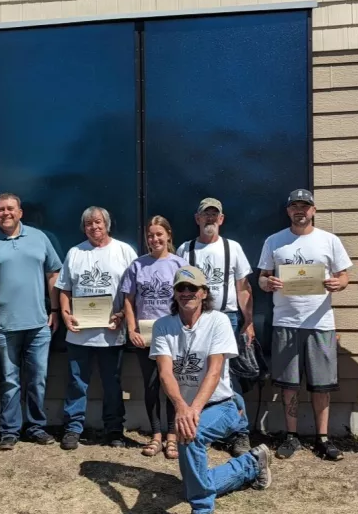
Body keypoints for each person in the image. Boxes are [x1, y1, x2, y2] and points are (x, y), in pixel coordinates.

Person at [151, 266, 272, 513]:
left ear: (204, 293)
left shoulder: (218, 321)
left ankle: (202, 509)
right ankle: (250, 464)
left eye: (192, 288)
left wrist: (191, 410)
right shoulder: (163, 325)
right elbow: (165, 373)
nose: (186, 293)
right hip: (187, 410)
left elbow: (215, 371)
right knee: (192, 484)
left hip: (224, 405)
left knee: (190, 435)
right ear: (174, 293)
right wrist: (183, 408)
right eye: (181, 288)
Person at [0, 193, 62, 451]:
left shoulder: (40, 238)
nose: (6, 213)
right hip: (1, 327)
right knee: (9, 380)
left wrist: (56, 309)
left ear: (20, 212)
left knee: (38, 378)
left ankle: (36, 426)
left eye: (11, 209)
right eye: (1, 210)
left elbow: (53, 274)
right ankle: (9, 430)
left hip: (39, 325)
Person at [257, 189, 352, 461]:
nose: (300, 210)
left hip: (320, 323)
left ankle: (323, 438)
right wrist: (268, 283)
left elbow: (344, 276)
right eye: (295, 206)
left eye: (305, 206)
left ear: (313, 210)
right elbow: (263, 278)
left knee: (322, 384)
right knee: (288, 384)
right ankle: (291, 436)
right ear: (288, 211)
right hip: (285, 322)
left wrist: (338, 284)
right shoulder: (275, 241)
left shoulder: (329, 241)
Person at [177, 197, 254, 455]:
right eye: (205, 214)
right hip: (194, 320)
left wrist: (249, 322)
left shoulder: (233, 248)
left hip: (227, 319)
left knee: (229, 378)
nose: (210, 218)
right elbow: (178, 288)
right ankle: (210, 428)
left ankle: (240, 433)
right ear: (197, 218)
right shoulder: (185, 250)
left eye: (214, 215)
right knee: (198, 375)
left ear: (221, 219)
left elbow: (243, 288)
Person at [56, 206, 137, 450]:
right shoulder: (75, 252)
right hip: (80, 334)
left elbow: (133, 292)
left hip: (112, 333)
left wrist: (123, 314)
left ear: (107, 224)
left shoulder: (124, 251)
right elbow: (64, 289)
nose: (94, 227)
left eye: (99, 222)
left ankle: (113, 430)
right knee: (76, 382)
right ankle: (72, 428)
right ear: (84, 227)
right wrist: (65, 314)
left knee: (112, 384)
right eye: (89, 223)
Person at [121, 215, 186, 459]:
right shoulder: (138, 265)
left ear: (168, 235)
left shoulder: (180, 264)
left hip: (172, 334)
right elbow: (128, 300)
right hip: (145, 337)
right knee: (150, 386)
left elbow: (188, 299)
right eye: (150, 235)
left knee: (170, 386)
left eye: (159, 234)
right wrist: (132, 329)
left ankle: (172, 435)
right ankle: (156, 434)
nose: (154, 239)